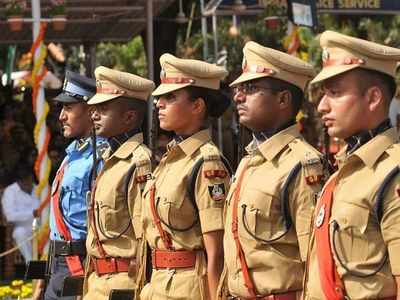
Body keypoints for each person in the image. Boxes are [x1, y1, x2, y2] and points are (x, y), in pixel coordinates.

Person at [219, 41, 326, 299]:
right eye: (239, 88)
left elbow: (314, 259)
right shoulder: (248, 161)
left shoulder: (302, 164)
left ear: (283, 99)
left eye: (251, 88)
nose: (238, 96)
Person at [303, 31, 400, 300]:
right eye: (323, 94)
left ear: (373, 98)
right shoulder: (343, 171)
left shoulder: (392, 173)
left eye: (335, 93)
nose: (322, 106)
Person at [140, 54, 232, 300]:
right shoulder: (170, 159)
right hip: (159, 286)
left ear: (197, 106)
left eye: (171, 97)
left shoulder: (206, 162)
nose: (159, 103)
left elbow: (217, 253)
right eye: (161, 96)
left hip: (190, 289)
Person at [84, 66, 154, 300]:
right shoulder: (109, 160)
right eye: (95, 108)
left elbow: (145, 235)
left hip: (125, 284)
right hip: (97, 282)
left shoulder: (138, 162)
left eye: (103, 109)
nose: (94, 115)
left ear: (129, 117)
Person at [36, 71, 105, 300]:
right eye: (61, 109)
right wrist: (41, 282)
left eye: (69, 108)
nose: (61, 116)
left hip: (81, 266)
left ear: (90, 111)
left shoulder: (101, 158)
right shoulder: (70, 156)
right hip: (58, 266)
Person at [1, 165, 40, 262]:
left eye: (30, 180)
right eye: (25, 181)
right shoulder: (10, 191)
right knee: (19, 233)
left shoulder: (38, 188)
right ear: (19, 182)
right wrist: (32, 213)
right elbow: (10, 216)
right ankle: (31, 264)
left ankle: (48, 265)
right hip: (24, 227)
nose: (29, 183)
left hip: (41, 226)